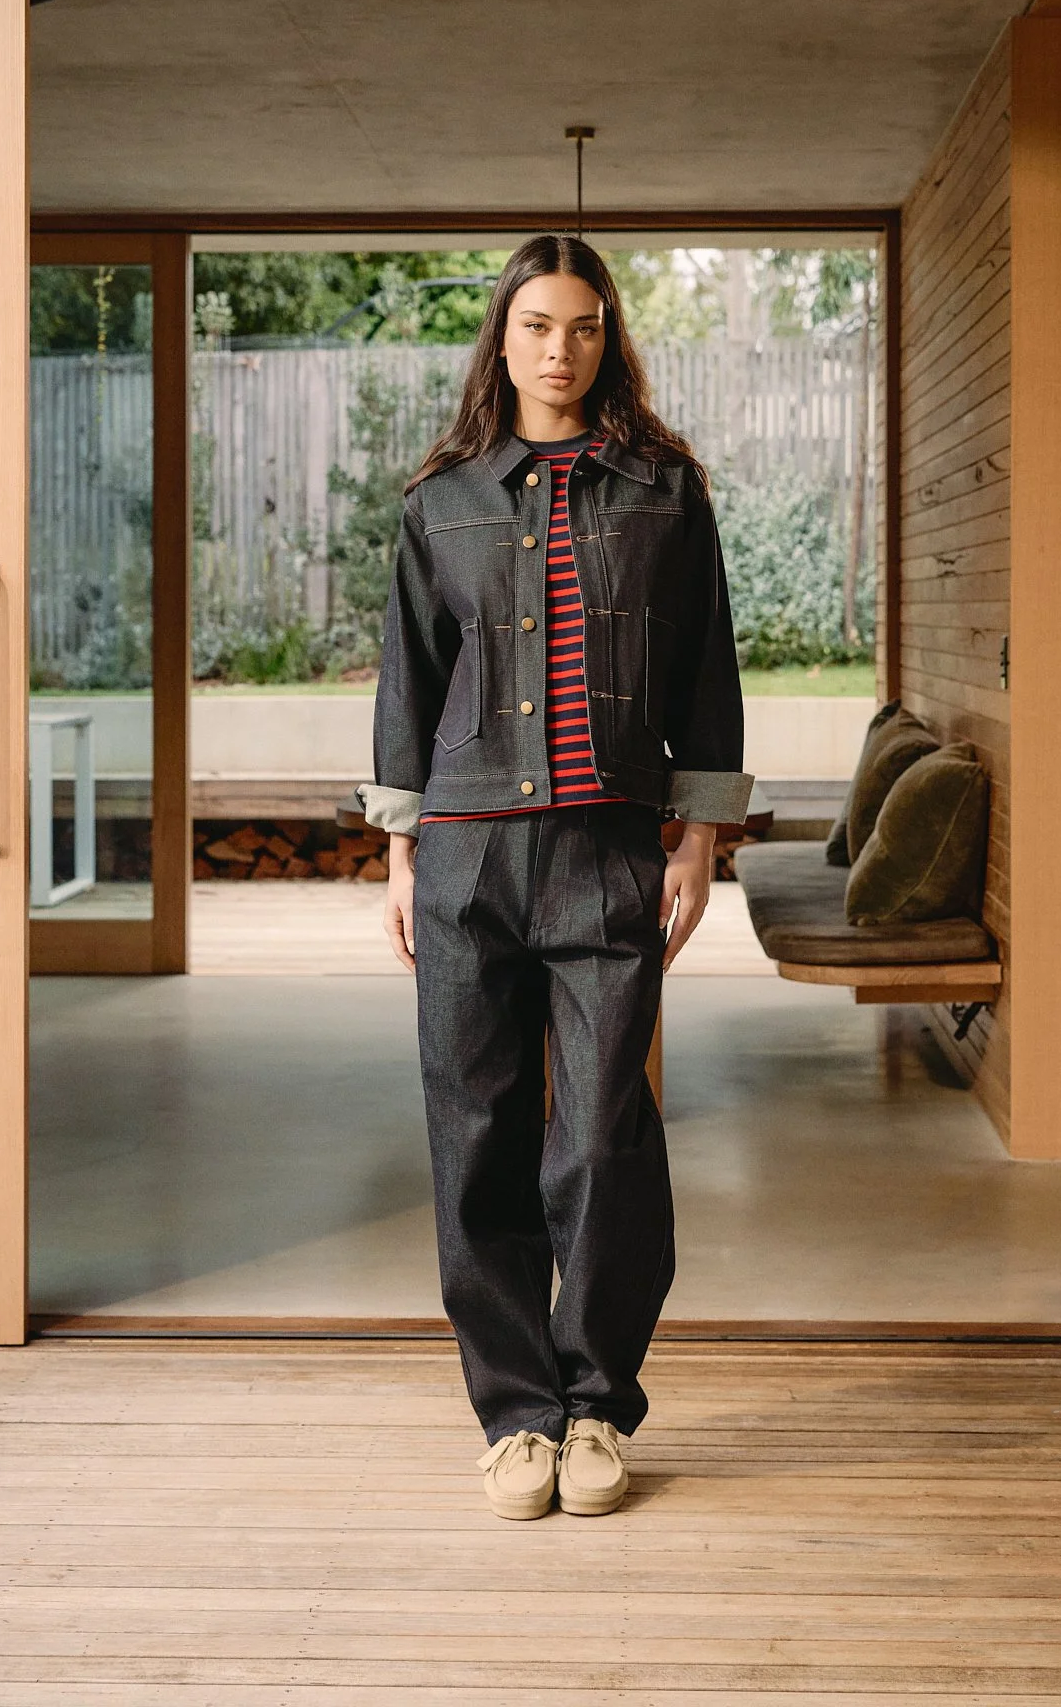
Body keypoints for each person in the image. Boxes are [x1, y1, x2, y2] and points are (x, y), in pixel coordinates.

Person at [358, 234, 750, 1520]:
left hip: (606, 855)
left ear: (607, 336)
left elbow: (706, 672)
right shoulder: (443, 499)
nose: (559, 348)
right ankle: (517, 1415)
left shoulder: (664, 491)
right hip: (468, 855)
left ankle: (596, 1406)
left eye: (582, 325)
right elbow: (410, 684)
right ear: (503, 337)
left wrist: (695, 839)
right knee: (474, 1136)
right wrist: (402, 852)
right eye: (535, 324)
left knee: (604, 1142)